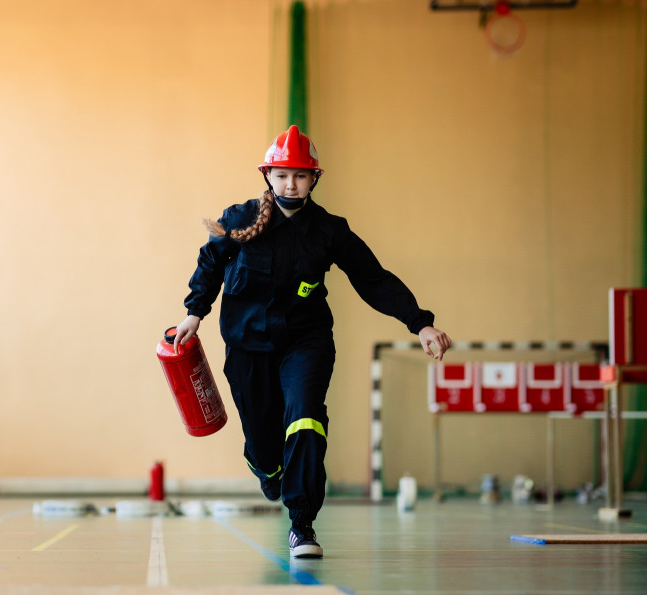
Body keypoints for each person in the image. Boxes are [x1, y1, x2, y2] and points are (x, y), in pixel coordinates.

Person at [173, 126, 451, 559]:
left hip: (306, 342)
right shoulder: (240, 218)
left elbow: (372, 278)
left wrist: (420, 324)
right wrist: (195, 313)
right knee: (263, 445)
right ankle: (267, 468)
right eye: (282, 175)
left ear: (314, 179)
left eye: (300, 176)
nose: (290, 184)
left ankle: (302, 524)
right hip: (247, 346)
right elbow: (209, 264)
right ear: (268, 175)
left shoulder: (329, 231)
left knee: (304, 417)